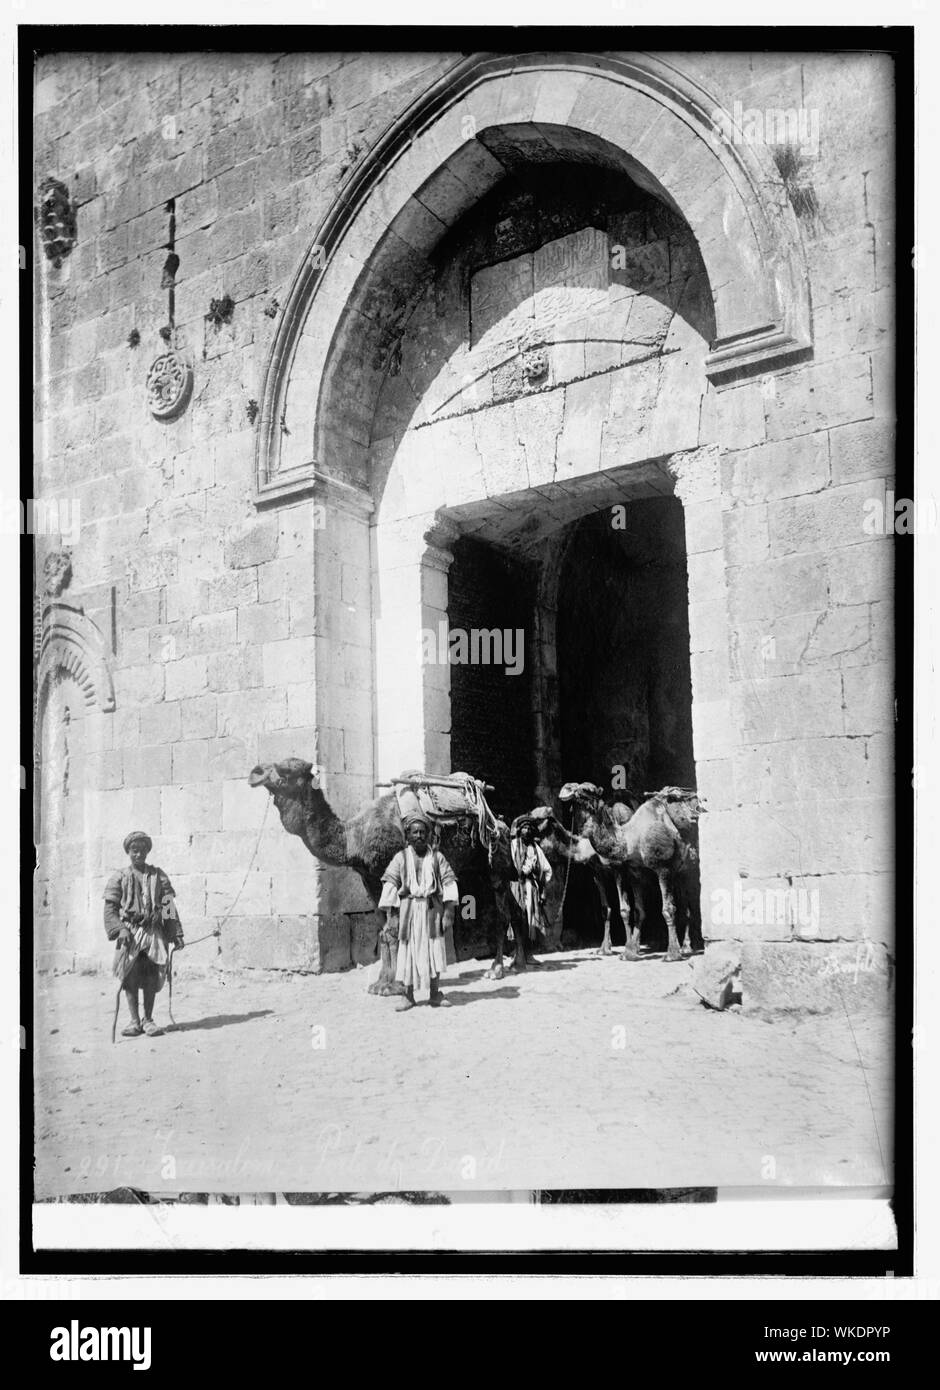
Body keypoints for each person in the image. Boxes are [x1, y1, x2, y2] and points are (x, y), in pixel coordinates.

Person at [104, 832, 184, 1038]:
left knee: (150, 974)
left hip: (154, 932)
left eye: (142, 850)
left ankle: (148, 1020)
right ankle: (134, 1021)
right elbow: (110, 909)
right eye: (134, 850)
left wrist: (175, 933)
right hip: (130, 933)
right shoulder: (119, 877)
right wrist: (120, 929)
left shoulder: (159, 876)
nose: (138, 854)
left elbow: (168, 906)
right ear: (128, 852)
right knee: (129, 976)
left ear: (148, 851)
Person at [379, 812, 459, 1011]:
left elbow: (449, 883)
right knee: (408, 952)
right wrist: (392, 916)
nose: (419, 836)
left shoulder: (437, 858)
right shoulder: (400, 858)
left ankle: (434, 994)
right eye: (415, 832)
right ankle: (408, 996)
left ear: (429, 835)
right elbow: (390, 884)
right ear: (408, 836)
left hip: (432, 910)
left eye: (423, 832)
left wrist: (449, 912)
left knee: (434, 951)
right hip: (409, 911)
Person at [509, 814, 553, 949]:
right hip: (515, 886)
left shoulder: (535, 848)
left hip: (530, 887)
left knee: (529, 916)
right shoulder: (513, 845)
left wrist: (542, 891)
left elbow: (547, 869)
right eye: (524, 828)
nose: (527, 831)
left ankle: (527, 950)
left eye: (529, 828)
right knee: (515, 916)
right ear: (519, 830)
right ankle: (516, 950)